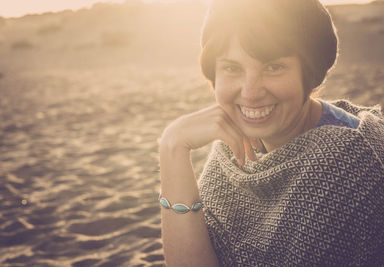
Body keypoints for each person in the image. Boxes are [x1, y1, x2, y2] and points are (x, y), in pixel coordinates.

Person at [158, 0, 384, 266]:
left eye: (273, 67)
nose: (250, 93)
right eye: (232, 68)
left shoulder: (355, 162)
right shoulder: (229, 153)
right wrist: (172, 147)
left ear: (310, 72)